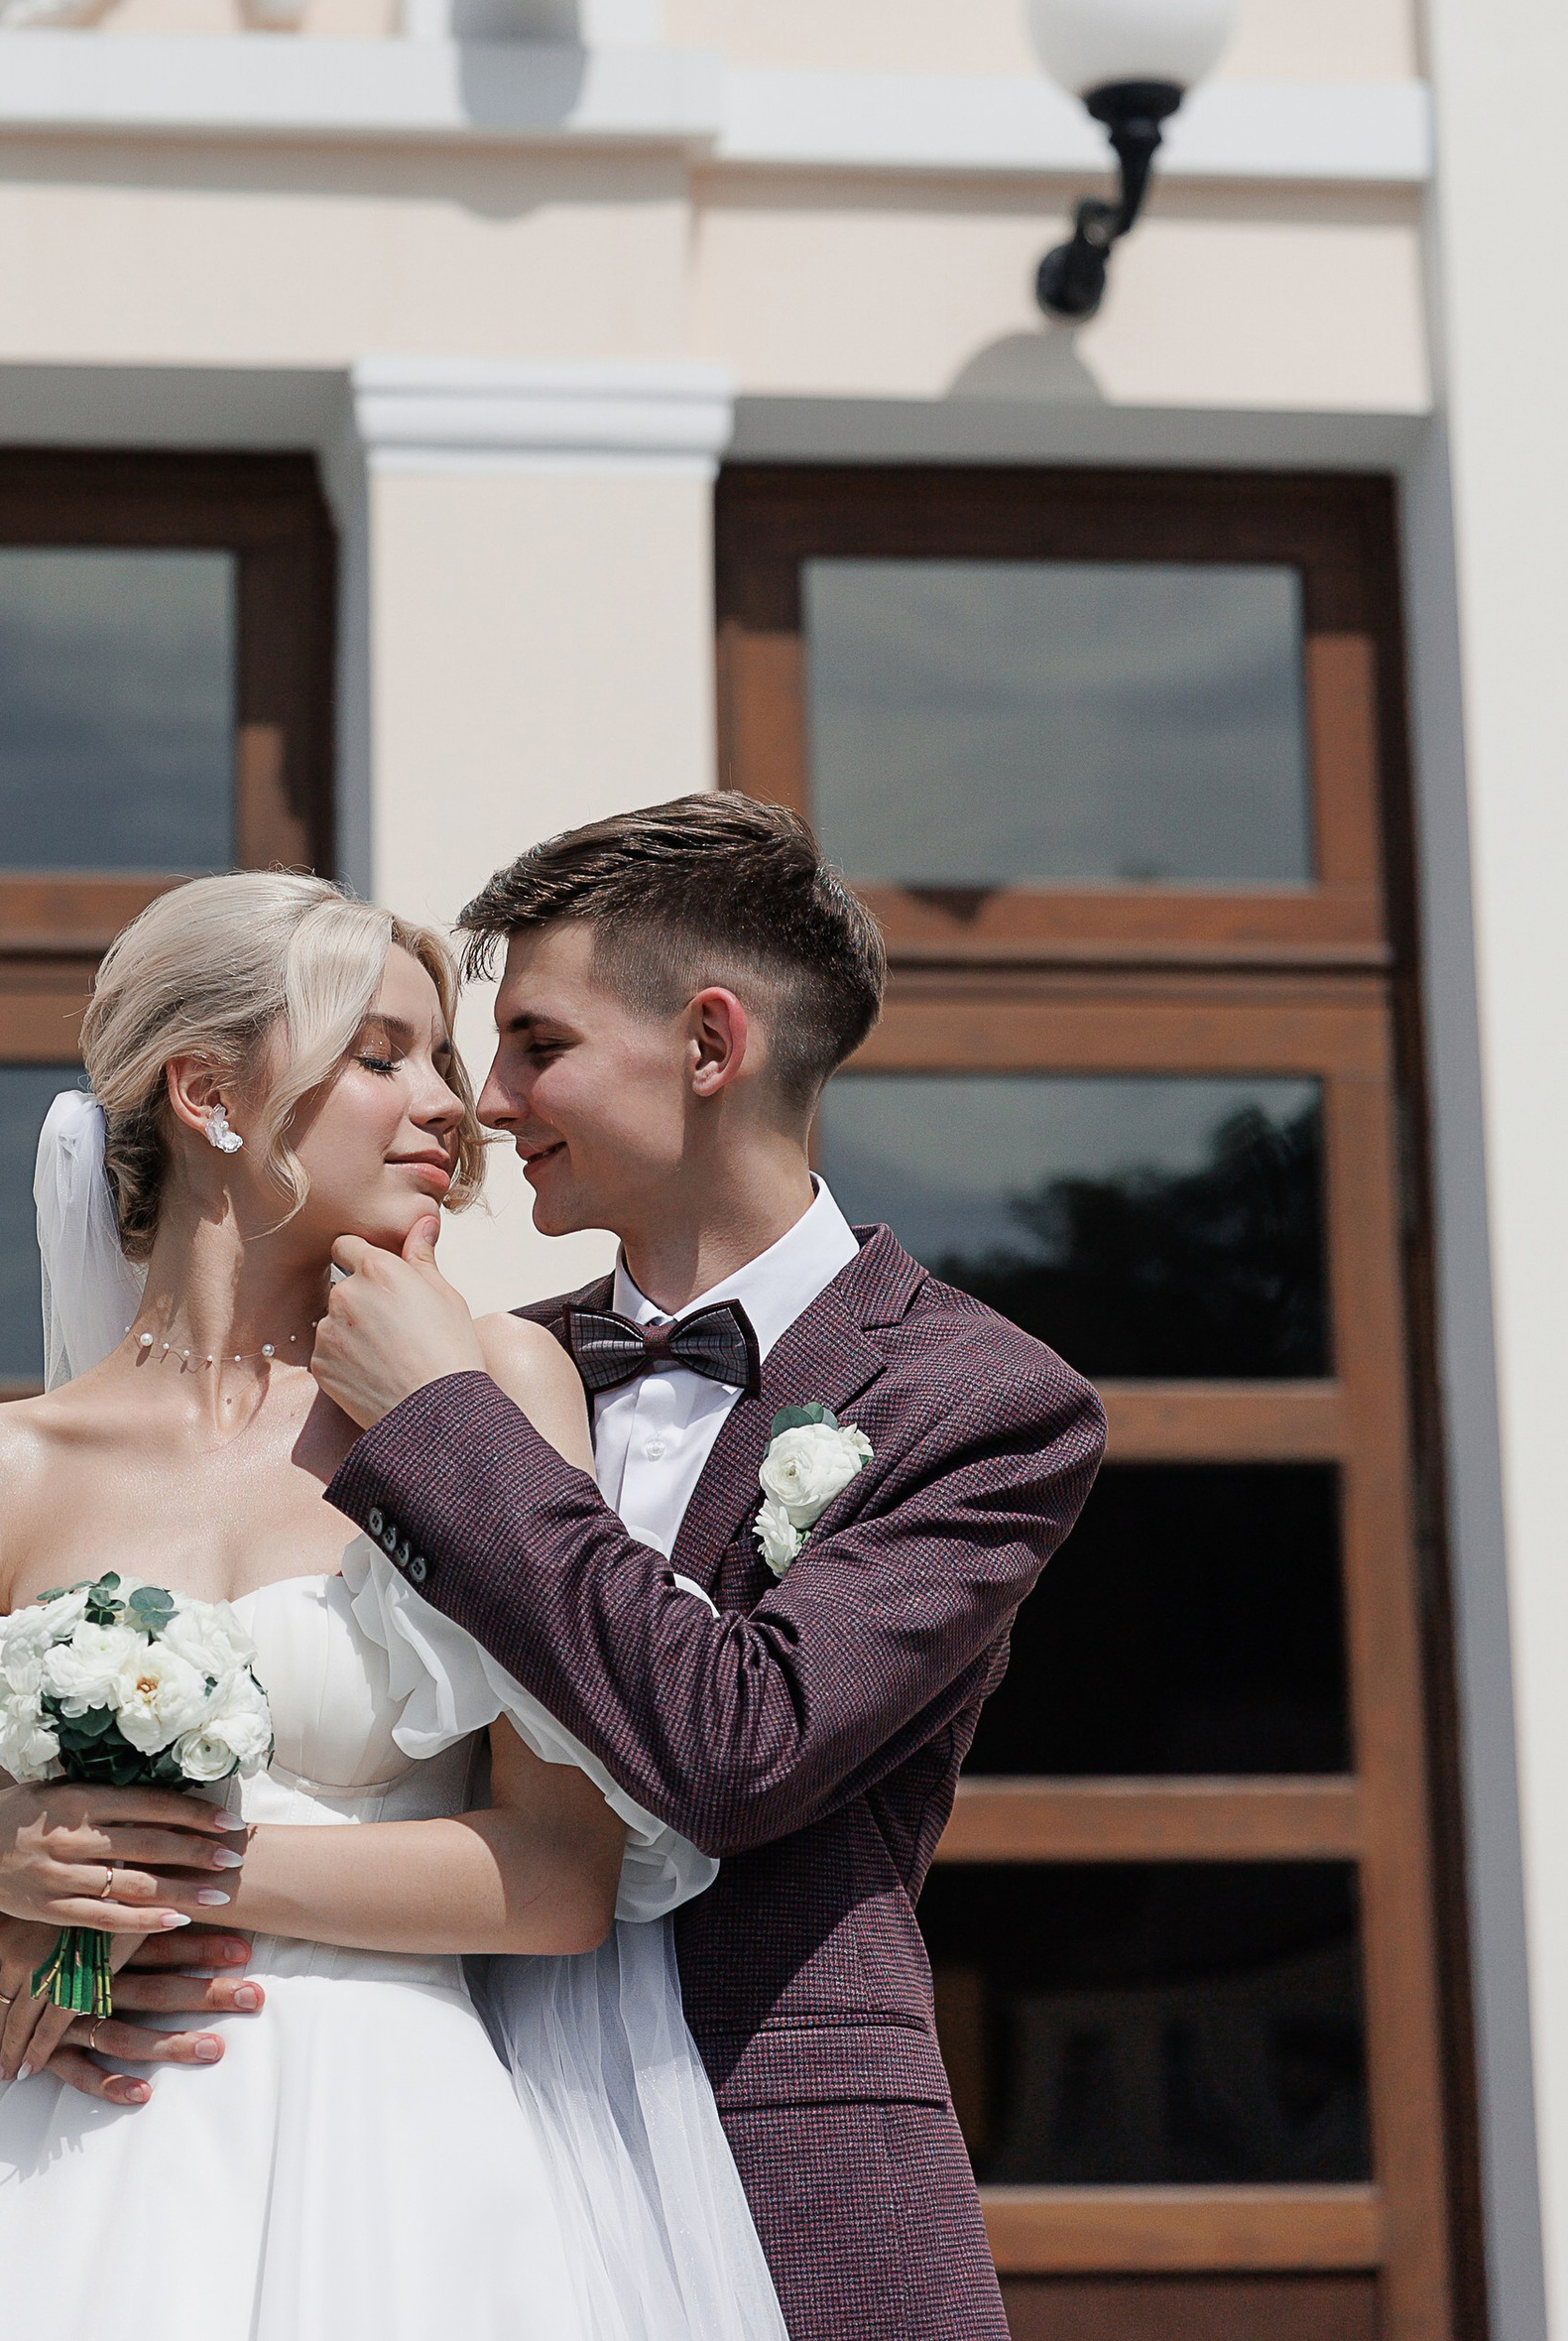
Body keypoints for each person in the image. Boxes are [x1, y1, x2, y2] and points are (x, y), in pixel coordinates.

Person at [0, 871, 784, 2341]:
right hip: (59, 2201)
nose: (454, 1105)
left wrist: (131, 1874)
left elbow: (555, 1881)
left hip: (392, 2171)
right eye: (384, 1055)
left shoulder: (485, 1396)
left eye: (446, 1060)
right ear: (208, 1093)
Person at [307, 794, 1108, 2341]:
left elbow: (740, 1749)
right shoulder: (473, 1371)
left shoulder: (983, 1403)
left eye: (537, 1044)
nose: (485, 1101)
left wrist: (455, 1432)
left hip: (776, 2174)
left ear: (709, 1043)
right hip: (438, 2150)